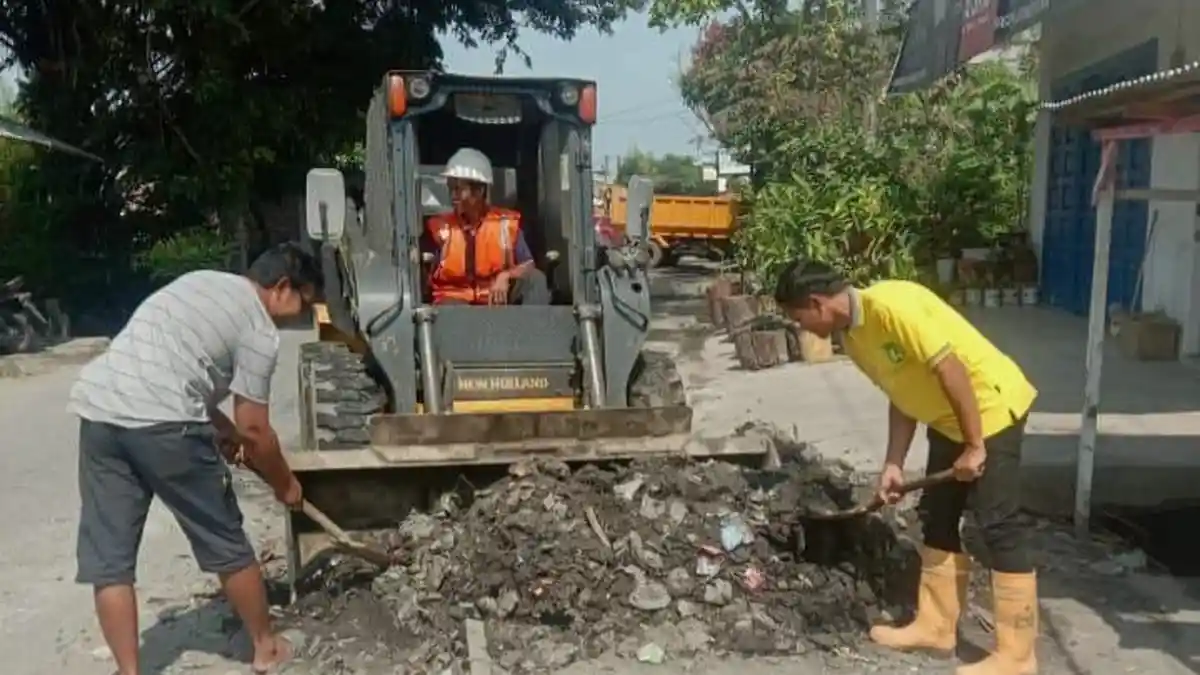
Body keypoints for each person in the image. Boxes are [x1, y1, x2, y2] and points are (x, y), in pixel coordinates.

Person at [775, 259, 1039, 675]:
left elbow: (952, 370)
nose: (799, 327)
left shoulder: (893, 307)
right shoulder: (854, 338)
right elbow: (903, 394)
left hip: (990, 410)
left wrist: (974, 446)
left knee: (998, 525)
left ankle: (1018, 657)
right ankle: (936, 627)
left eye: (798, 317)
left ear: (817, 303)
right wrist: (893, 464)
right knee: (938, 517)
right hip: (949, 420)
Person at [69, 242, 320, 675]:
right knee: (224, 539)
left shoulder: (201, 282)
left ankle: (129, 671)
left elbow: (169, 364)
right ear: (282, 287)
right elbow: (257, 429)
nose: (302, 314)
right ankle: (266, 648)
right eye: (304, 301)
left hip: (100, 413)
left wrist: (222, 429)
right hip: (165, 426)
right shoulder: (259, 328)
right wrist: (285, 485)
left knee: (109, 558)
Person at [426, 147, 550, 305]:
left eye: (458, 189)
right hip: (453, 306)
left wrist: (505, 276)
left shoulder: (505, 224)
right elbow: (425, 272)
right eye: (450, 188)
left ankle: (535, 328)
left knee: (536, 279)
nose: (453, 196)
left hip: (496, 302)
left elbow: (528, 265)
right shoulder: (439, 228)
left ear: (479, 191)